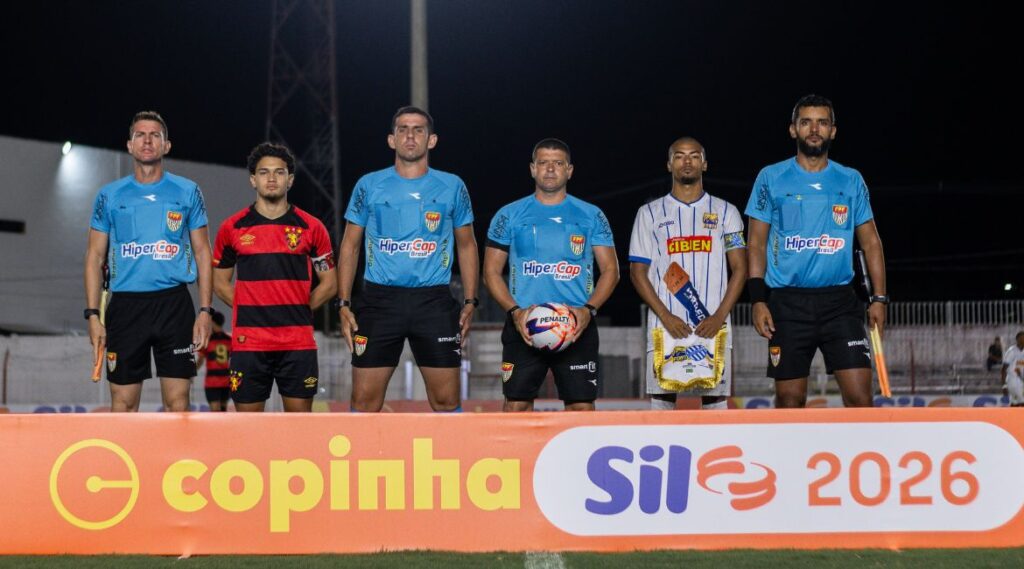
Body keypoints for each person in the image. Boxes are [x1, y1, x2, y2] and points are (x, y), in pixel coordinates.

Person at [745, 94, 887, 408]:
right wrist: (757, 300)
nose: (814, 129)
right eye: (806, 122)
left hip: (840, 303)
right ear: (793, 129)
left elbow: (871, 243)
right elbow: (755, 243)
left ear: (832, 131)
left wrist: (879, 298)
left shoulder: (850, 179)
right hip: (787, 304)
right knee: (789, 400)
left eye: (822, 122)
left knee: (861, 399)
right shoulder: (771, 178)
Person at [335, 106, 478, 412]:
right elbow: (350, 246)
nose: (410, 136)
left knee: (446, 401)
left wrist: (470, 300)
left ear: (431, 140)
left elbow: (467, 245)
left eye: (418, 130)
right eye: (403, 129)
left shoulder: (452, 186)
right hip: (379, 302)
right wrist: (344, 303)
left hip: (434, 302)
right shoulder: (368, 185)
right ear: (392, 139)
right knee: (364, 402)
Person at [84, 111, 213, 412]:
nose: (147, 140)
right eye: (140, 135)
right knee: (123, 405)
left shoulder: (188, 191)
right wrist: (92, 316)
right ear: (129, 145)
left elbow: (203, 252)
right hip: (126, 307)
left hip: (174, 305)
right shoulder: (109, 196)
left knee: (178, 404)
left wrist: (205, 311)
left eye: (155, 135)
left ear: (166, 145)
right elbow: (94, 257)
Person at [483, 138, 619, 412]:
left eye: (558, 163)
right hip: (525, 324)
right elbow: (490, 272)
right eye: (543, 163)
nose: (550, 169)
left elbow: (611, 271)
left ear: (569, 170)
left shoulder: (591, 215)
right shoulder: (508, 215)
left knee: (581, 407)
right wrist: (515, 313)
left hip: (575, 325)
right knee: (516, 406)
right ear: (532, 169)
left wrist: (588, 310)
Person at [212, 142, 337, 412]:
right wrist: (251, 307)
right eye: (264, 172)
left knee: (298, 427)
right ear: (253, 180)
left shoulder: (312, 227)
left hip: (297, 342)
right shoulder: (232, 228)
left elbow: (330, 284)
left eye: (279, 172)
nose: (271, 178)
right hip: (249, 343)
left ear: (290, 180)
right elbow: (219, 283)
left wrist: (299, 308)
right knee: (249, 429)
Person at [628, 137, 747, 411]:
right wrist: (665, 315)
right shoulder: (648, 214)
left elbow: (740, 268)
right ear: (669, 164)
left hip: (713, 325)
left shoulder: (726, 211)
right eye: (680, 156)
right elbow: (637, 273)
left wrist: (719, 316)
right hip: (666, 326)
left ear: (704, 164)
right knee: (662, 404)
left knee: (716, 404)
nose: (687, 161)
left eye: (694, 155)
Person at [196, 310, 231, 411]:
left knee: (215, 411)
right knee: (223, 410)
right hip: (226, 381)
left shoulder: (207, 340)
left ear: (213, 323)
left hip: (212, 382)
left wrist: (192, 372)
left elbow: (200, 360)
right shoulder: (229, 340)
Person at [1001, 331, 1024, 407]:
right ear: (1018, 339)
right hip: (1012, 380)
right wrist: (1004, 385)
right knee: (1022, 402)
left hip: (1020, 380)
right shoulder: (1012, 351)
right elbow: (1003, 369)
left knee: (1015, 403)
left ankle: (1010, 414)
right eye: (1022, 338)